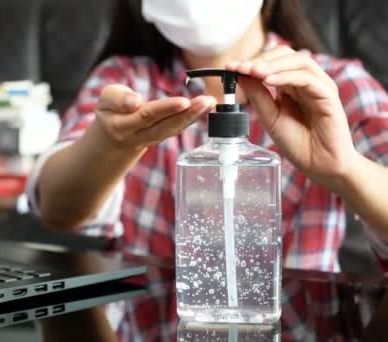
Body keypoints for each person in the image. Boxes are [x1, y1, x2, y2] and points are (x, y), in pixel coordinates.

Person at [27, 0, 388, 340]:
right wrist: (112, 144)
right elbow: (59, 210)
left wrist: (345, 167)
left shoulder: (333, 87)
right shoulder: (126, 82)